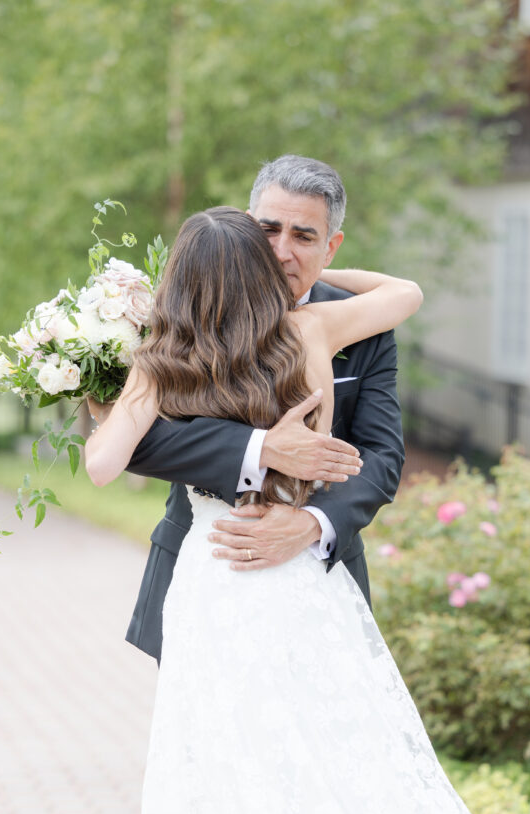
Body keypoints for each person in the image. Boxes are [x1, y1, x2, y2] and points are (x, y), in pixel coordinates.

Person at [86, 207, 530, 814]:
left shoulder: (160, 360)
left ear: (178, 282)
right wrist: (325, 289)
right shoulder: (314, 328)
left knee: (222, 776)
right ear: (259, 271)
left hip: (218, 580)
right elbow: (406, 291)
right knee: (338, 770)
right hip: (295, 589)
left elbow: (103, 463)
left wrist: (134, 375)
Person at [122, 155, 405, 663]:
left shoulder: (363, 324)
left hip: (318, 580)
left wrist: (313, 523)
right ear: (247, 226)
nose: (281, 252)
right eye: (268, 229)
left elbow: (382, 456)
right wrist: (261, 448)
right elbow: (137, 440)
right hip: (202, 571)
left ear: (330, 245)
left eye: (303, 236)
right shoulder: (190, 306)